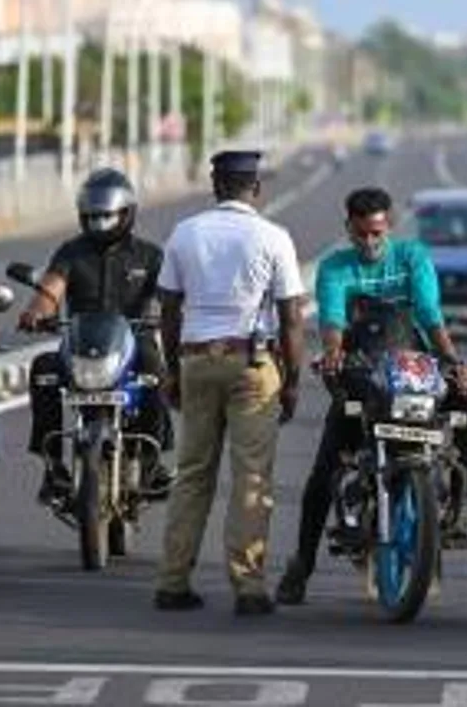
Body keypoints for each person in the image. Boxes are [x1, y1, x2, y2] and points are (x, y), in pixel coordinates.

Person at [274, 186, 467, 606]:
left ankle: (459, 501)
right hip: (363, 369)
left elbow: (430, 315)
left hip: (416, 368)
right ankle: (302, 564)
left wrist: (453, 361)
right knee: (326, 467)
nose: (370, 243)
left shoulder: (412, 257)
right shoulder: (336, 266)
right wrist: (333, 353)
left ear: (389, 227)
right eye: (361, 234)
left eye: (377, 234)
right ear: (348, 228)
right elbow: (331, 317)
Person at [152, 150, 306, 616]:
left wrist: (173, 371)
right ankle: (248, 586)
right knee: (251, 476)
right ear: (255, 188)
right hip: (251, 365)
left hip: (197, 361)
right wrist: (293, 380)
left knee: (193, 474)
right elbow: (292, 316)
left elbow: (170, 310)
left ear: (215, 186)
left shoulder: (185, 233)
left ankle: (173, 581)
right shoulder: (272, 237)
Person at [17, 168, 173, 510]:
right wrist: (37, 311)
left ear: (127, 213)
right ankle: (53, 464)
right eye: (93, 217)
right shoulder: (71, 253)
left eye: (107, 216)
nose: (99, 223)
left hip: (132, 340)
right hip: (81, 340)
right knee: (43, 368)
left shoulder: (149, 255)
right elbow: (51, 289)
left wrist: (164, 311)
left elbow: (165, 295)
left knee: (156, 370)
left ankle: (151, 460)